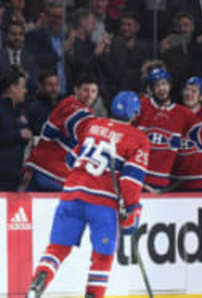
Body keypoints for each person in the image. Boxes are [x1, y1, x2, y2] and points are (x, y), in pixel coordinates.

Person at [26, 91, 149, 298]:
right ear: (135, 114)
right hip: (102, 202)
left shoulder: (93, 125)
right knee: (102, 256)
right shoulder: (138, 138)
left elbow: (70, 160)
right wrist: (132, 210)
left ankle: (39, 280)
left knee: (57, 248)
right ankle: (93, 295)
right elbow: (131, 181)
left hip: (71, 194)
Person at [136, 68, 202, 192]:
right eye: (157, 85)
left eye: (164, 84)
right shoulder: (140, 106)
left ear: (170, 86)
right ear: (150, 89)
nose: (162, 88)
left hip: (164, 184)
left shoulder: (182, 114)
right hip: (140, 179)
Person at [22, 74, 98, 191]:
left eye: (93, 91)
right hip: (53, 173)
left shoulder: (68, 103)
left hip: (39, 166)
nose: (89, 95)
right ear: (76, 90)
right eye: (85, 90)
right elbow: (78, 124)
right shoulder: (74, 109)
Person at [0, 65, 31, 191]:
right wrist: (18, 135)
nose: (26, 91)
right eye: (23, 87)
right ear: (13, 87)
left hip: (14, 178)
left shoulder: (18, 112)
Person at [25, 70, 61, 136]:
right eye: (50, 85)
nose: (54, 89)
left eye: (56, 85)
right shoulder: (33, 108)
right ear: (41, 86)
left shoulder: (64, 104)